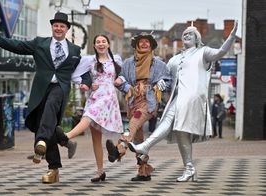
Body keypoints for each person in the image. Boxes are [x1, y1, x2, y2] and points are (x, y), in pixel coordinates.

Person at [0, 11, 92, 184]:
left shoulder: (75, 50)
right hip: (41, 88)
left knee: (50, 109)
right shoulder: (40, 43)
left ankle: (40, 143)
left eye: (62, 26)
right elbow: (17, 45)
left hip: (60, 88)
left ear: (67, 29)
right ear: (52, 27)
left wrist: (86, 82)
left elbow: (83, 71)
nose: (59, 28)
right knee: (45, 124)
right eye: (56, 25)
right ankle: (54, 168)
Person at [128, 21, 238, 182]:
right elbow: (166, 78)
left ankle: (145, 146)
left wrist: (232, 37)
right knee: (181, 134)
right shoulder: (174, 59)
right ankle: (189, 168)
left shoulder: (203, 52)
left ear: (197, 38)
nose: (186, 35)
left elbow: (220, 52)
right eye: (184, 34)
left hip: (191, 98)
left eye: (190, 34)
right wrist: (161, 83)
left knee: (167, 120)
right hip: (178, 98)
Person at [105, 32, 171, 181]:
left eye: (147, 42)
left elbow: (168, 81)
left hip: (149, 100)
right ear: (136, 45)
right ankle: (143, 171)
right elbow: (123, 80)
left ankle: (119, 149)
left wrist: (162, 84)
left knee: (134, 123)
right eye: (141, 42)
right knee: (138, 139)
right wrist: (122, 83)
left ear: (151, 45)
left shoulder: (159, 64)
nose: (144, 44)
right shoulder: (128, 63)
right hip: (133, 99)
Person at [64, 34, 123, 182]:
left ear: (108, 44)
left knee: (88, 116)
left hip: (108, 97)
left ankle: (65, 137)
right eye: (98, 42)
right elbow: (75, 76)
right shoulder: (89, 60)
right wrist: (88, 84)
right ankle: (100, 172)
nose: (101, 44)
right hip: (95, 96)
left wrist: (120, 80)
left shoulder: (116, 59)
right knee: (96, 138)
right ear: (94, 46)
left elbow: (125, 75)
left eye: (104, 41)